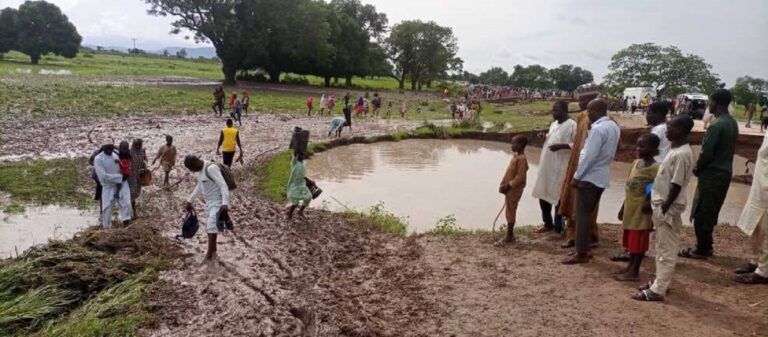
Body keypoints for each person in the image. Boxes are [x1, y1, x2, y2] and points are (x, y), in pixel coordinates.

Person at [632, 116, 695, 301]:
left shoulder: (682, 154)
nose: (667, 131)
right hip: (662, 206)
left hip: (668, 208)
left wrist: (664, 209)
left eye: (671, 127)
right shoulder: (675, 150)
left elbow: (676, 185)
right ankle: (660, 281)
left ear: (681, 130)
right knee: (660, 247)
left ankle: (658, 290)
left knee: (666, 249)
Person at [681, 89, 739, 259]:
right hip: (724, 173)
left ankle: (701, 249)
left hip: (712, 173)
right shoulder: (732, 122)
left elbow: (706, 153)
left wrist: (697, 168)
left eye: (710, 102)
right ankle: (707, 245)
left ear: (717, 103)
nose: (708, 105)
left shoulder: (716, 125)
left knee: (702, 211)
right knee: (712, 209)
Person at [563, 99, 620, 264]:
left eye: (590, 111)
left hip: (589, 178)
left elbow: (589, 157)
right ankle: (584, 247)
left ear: (598, 110)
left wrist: (577, 177)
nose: (588, 114)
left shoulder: (598, 129)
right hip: (602, 176)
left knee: (582, 216)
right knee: (587, 215)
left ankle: (581, 253)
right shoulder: (613, 126)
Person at [615, 133, 660, 281]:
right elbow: (628, 185)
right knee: (630, 240)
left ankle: (634, 271)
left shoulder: (656, 167)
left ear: (654, 149)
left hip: (642, 211)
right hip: (630, 207)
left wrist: (648, 201)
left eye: (642, 146)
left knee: (638, 242)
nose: (638, 149)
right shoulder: (635, 163)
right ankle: (630, 267)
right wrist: (623, 206)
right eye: (637, 145)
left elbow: (657, 187)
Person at [532, 101, 576, 234]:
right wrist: (544, 137)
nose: (553, 112)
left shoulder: (572, 125)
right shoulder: (554, 124)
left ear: (565, 111)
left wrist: (562, 146)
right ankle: (547, 223)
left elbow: (579, 144)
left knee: (558, 197)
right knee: (543, 193)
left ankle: (559, 227)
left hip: (560, 168)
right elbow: (551, 139)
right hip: (547, 166)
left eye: (556, 110)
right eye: (553, 110)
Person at [559, 110, 600, 248]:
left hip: (590, 170)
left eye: (583, 100)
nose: (580, 102)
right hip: (575, 165)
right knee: (571, 202)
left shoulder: (599, 121)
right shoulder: (581, 117)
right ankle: (572, 235)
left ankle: (590, 236)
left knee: (587, 207)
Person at [734, 132, 768, 284]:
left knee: (766, 230)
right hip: (760, 187)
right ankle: (756, 261)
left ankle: (764, 271)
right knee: (757, 227)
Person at [184, 155, 230, 261]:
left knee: (211, 225)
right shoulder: (200, 171)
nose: (192, 171)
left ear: (195, 163)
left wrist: (225, 203)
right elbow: (199, 186)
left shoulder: (211, 168)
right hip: (209, 202)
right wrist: (190, 200)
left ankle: (209, 254)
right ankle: (213, 249)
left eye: (192, 169)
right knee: (212, 226)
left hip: (218, 200)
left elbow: (223, 185)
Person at [495, 135, 529, 245]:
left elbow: (520, 177)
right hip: (510, 188)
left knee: (511, 210)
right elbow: (510, 173)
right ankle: (510, 235)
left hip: (514, 189)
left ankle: (509, 236)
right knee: (509, 209)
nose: (512, 146)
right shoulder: (516, 157)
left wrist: (508, 186)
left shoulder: (522, 159)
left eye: (514, 143)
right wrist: (503, 184)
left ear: (521, 145)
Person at [94, 141, 132, 229]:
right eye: (107, 148)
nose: (109, 150)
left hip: (122, 183)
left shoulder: (116, 154)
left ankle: (126, 226)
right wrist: (120, 177)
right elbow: (103, 176)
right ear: (103, 148)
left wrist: (123, 177)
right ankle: (106, 228)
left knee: (126, 204)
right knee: (107, 208)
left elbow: (125, 165)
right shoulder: (98, 159)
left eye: (111, 147)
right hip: (108, 186)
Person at [286, 152, 312, 220]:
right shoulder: (294, 162)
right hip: (294, 184)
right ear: (297, 156)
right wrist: (297, 149)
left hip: (302, 184)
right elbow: (295, 153)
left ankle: (300, 211)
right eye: (300, 155)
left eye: (303, 155)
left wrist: (310, 181)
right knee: (295, 201)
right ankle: (290, 214)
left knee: (308, 197)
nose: (302, 156)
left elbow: (303, 175)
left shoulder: (303, 163)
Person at [128, 139, 147, 216]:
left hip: (139, 176)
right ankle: (134, 212)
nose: (137, 146)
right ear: (133, 145)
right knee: (132, 194)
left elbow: (144, 161)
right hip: (131, 176)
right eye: (136, 145)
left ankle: (132, 209)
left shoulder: (142, 152)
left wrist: (144, 167)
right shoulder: (130, 153)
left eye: (139, 145)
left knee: (137, 192)